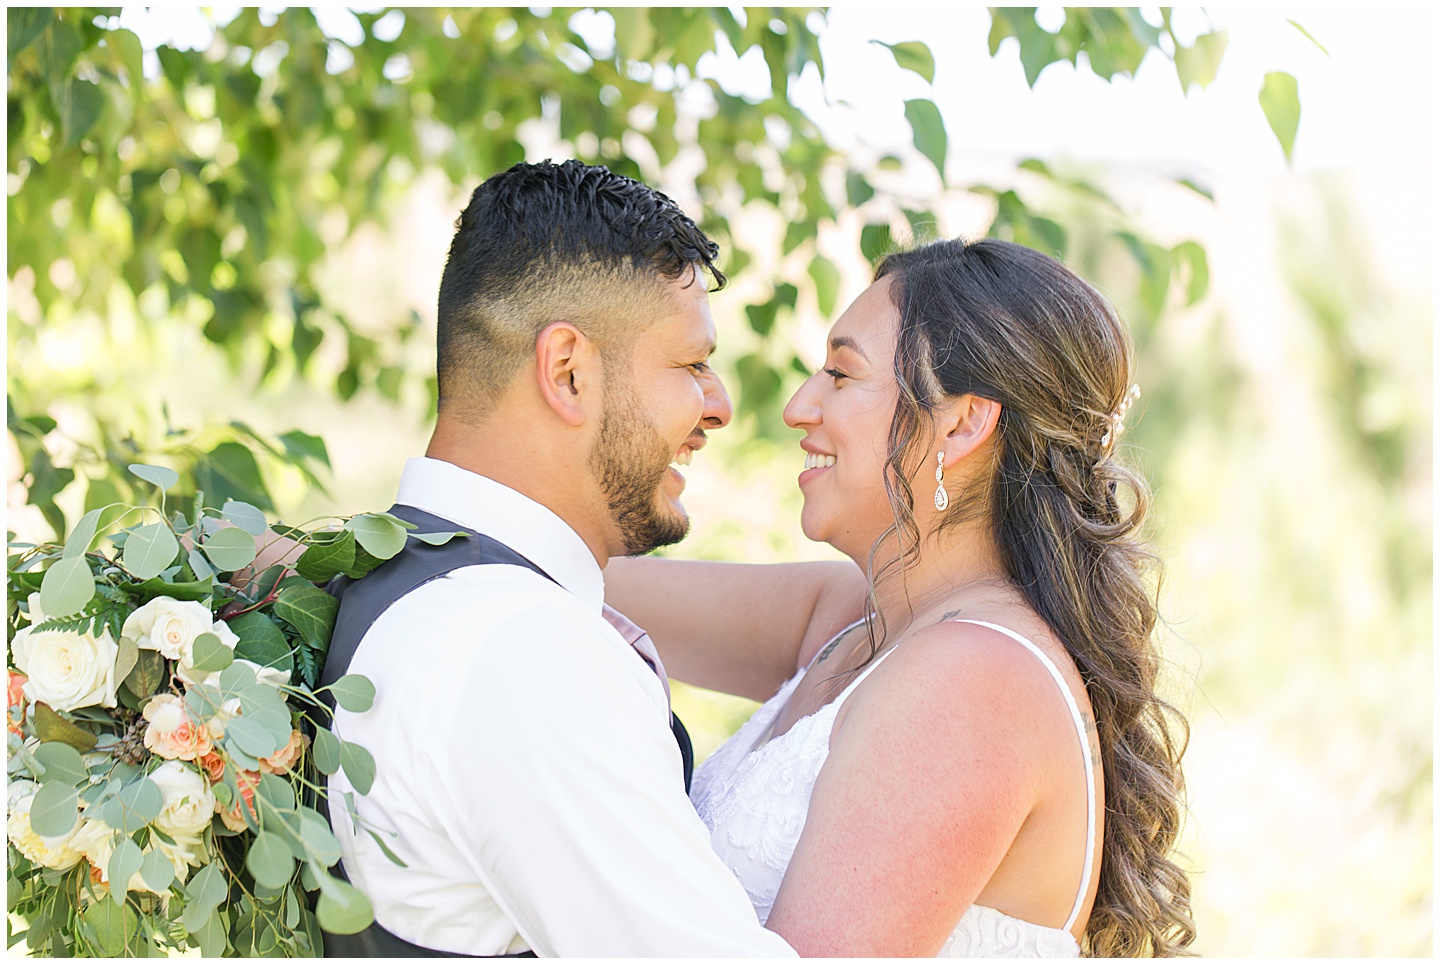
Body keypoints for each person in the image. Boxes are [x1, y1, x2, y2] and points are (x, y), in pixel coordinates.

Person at [605, 237, 1195, 956]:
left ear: (964, 422)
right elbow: (573, 575)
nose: (799, 407)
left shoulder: (974, 678)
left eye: (840, 374)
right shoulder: (858, 619)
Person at [319, 159, 795, 956]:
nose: (720, 404)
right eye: (690, 364)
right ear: (568, 371)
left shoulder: (376, 586)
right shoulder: (526, 650)